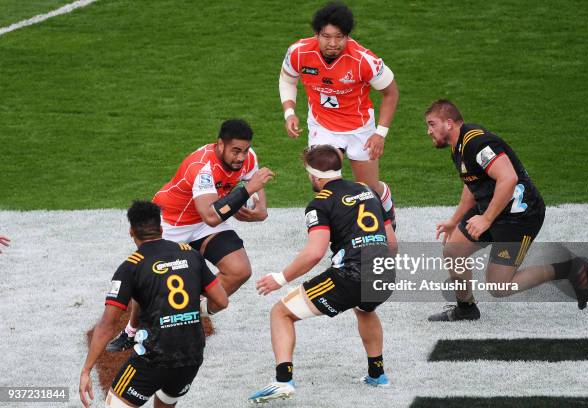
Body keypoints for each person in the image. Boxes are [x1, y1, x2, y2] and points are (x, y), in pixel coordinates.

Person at [107, 119, 275, 351]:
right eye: (236, 151)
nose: (241, 157)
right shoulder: (202, 168)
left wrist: (260, 210)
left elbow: (254, 185)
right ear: (220, 145)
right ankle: (132, 331)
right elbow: (212, 216)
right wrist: (246, 192)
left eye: (245, 151)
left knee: (240, 270)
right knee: (147, 278)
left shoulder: (247, 158)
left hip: (203, 222)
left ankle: (191, 313)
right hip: (171, 223)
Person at [249, 145, 397, 404]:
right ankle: (377, 374)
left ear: (314, 176)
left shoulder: (319, 203)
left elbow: (314, 253)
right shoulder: (368, 191)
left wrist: (280, 278)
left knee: (280, 312)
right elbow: (391, 242)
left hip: (352, 276)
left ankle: (283, 381)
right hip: (384, 272)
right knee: (365, 309)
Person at [424, 99, 588, 321]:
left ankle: (569, 268)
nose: (428, 131)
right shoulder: (459, 147)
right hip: (494, 209)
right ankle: (466, 308)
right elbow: (472, 184)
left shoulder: (478, 144)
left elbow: (508, 178)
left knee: (499, 286)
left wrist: (486, 218)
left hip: (519, 217)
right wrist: (455, 220)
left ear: (448, 123)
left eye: (431, 124)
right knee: (453, 251)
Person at [79, 200, 228, 408]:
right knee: (167, 401)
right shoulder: (190, 254)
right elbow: (221, 301)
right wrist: (191, 311)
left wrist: (86, 370)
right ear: (160, 228)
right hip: (191, 356)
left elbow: (107, 324)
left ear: (131, 232)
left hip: (154, 359)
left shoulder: (130, 267)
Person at [279, 2, 399, 226]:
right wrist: (289, 112)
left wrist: (380, 133)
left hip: (359, 127)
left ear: (347, 36)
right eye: (326, 36)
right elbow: (287, 79)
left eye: (339, 37)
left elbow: (391, 93)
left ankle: (385, 201)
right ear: (316, 34)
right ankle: (337, 227)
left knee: (368, 189)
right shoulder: (299, 52)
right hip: (322, 125)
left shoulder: (365, 60)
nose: (332, 43)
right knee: (321, 181)